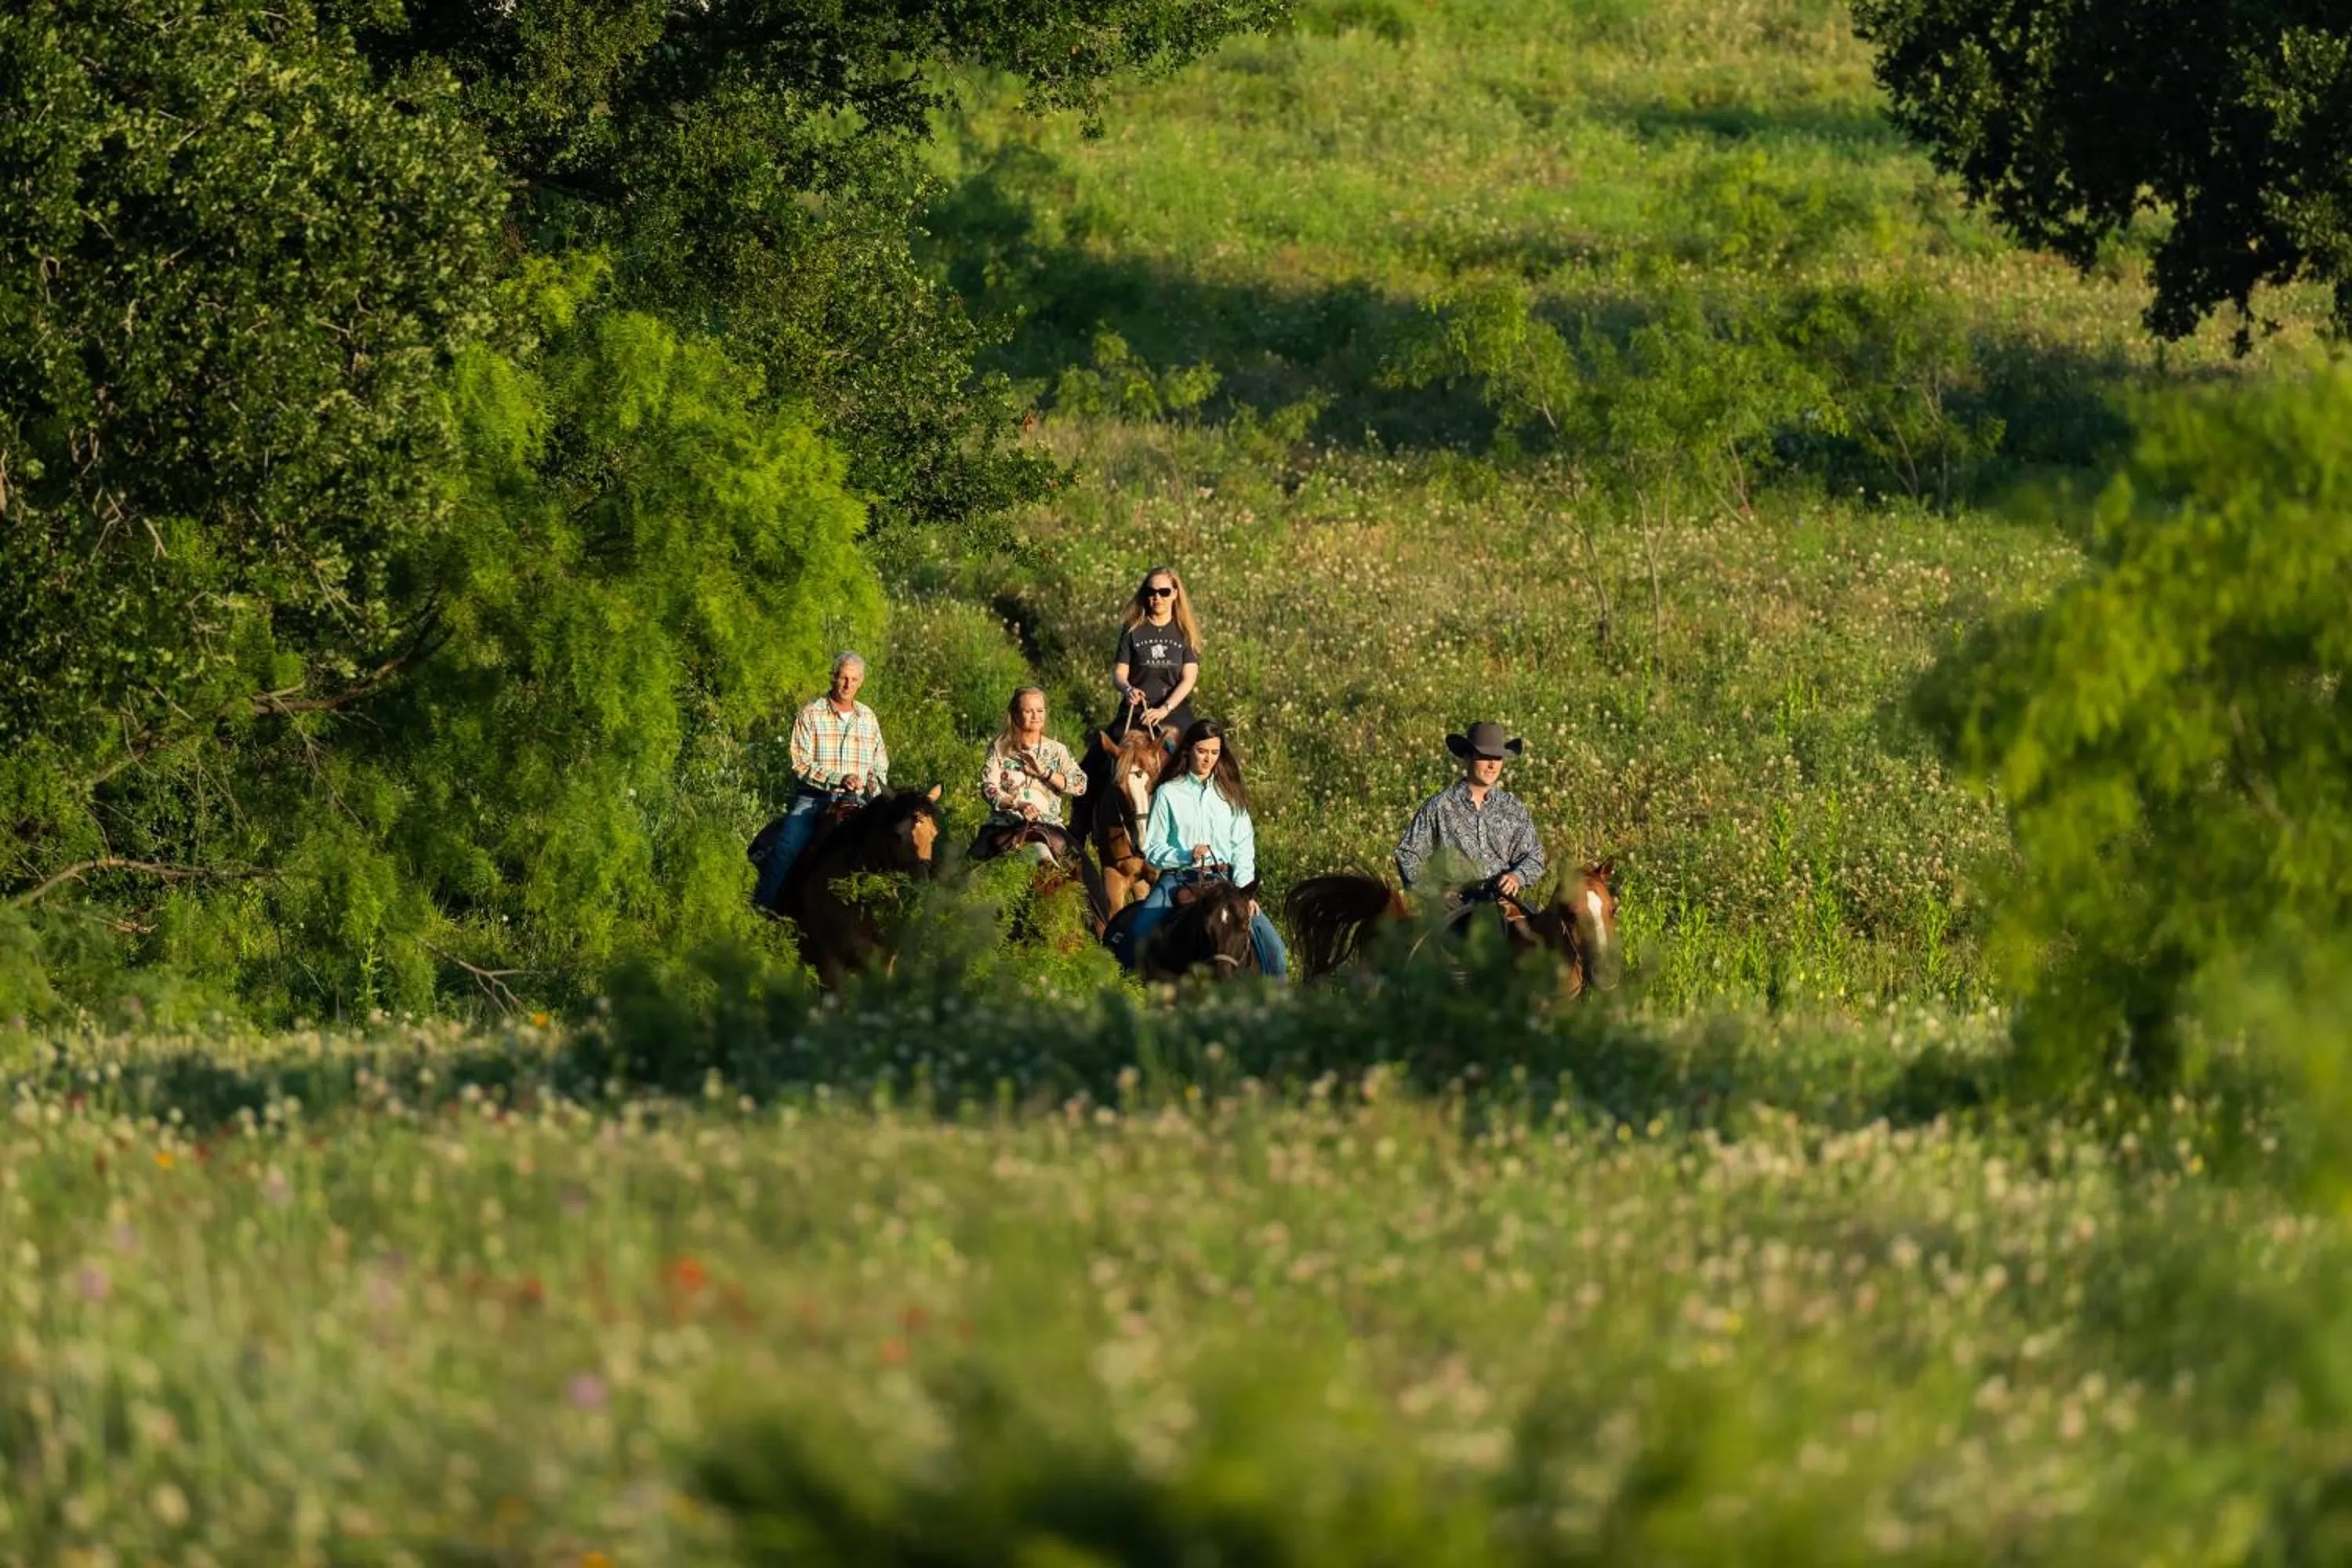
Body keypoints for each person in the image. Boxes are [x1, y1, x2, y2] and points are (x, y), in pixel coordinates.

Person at [1115, 718, 1287, 978]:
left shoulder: (1231, 794)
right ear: (1189, 749)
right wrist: (1185, 855)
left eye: (1215, 752)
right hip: (1178, 879)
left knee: (1275, 947)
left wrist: (1244, 893)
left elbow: (1243, 848)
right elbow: (1153, 849)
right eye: (1202, 751)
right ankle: (1127, 992)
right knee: (1137, 933)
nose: (1208, 759)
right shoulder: (1168, 793)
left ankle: (1279, 999)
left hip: (1224, 881)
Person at [753, 652, 890, 910]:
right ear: (833, 677)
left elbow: (879, 765)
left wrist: (874, 792)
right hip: (814, 800)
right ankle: (762, 911)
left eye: (854, 679)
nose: (848, 685)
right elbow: (800, 763)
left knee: (887, 850)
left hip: (857, 802)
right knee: (786, 848)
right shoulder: (811, 713)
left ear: (861, 682)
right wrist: (839, 779)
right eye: (843, 678)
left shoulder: (868, 717)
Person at [1394, 721, 1548, 906]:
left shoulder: (1513, 808)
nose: (1492, 765)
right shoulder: (1439, 807)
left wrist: (1516, 877)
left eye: (1497, 758)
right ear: (1467, 757)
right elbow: (1407, 854)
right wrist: (1435, 892)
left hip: (1502, 904)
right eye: (1485, 756)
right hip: (1453, 908)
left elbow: (1535, 855)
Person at [978, 686, 1087, 855]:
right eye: (1028, 711)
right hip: (1006, 823)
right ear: (1015, 714)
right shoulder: (1000, 747)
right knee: (969, 865)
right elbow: (988, 788)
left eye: (1040, 710)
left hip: (1048, 825)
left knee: (1082, 866)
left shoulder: (1057, 750)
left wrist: (1045, 773)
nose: (1036, 716)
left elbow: (1080, 785)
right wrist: (1017, 804)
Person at [1109, 565, 1201, 746]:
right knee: (1104, 749)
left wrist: (1164, 709)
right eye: (1151, 592)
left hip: (1174, 710)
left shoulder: (1185, 632)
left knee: (1198, 746)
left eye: (1164, 592)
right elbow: (1119, 674)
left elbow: (1189, 678)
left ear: (1175, 594)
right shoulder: (1132, 629)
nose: (1157, 597)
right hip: (1136, 710)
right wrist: (1128, 690)